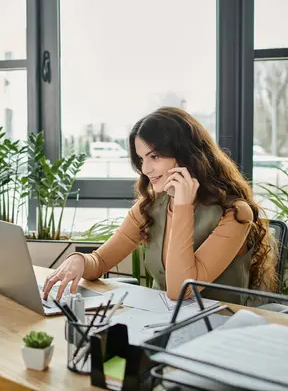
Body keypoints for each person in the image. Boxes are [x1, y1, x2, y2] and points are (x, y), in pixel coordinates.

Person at [43, 107, 279, 305]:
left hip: (218, 329)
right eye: (141, 158)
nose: (145, 169)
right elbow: (101, 262)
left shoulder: (235, 213)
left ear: (187, 155)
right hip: (160, 320)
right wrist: (80, 260)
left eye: (155, 157)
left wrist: (183, 205)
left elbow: (182, 290)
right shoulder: (150, 206)